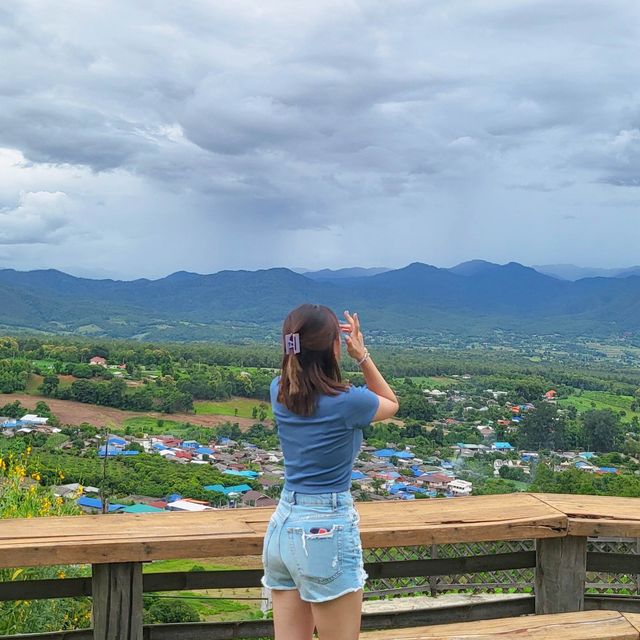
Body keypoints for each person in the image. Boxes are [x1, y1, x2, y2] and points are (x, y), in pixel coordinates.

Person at [261, 303, 399, 640]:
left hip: (282, 526)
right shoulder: (348, 402)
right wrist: (362, 355)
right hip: (325, 530)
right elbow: (391, 402)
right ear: (335, 347)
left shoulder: (279, 390)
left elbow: (299, 376)